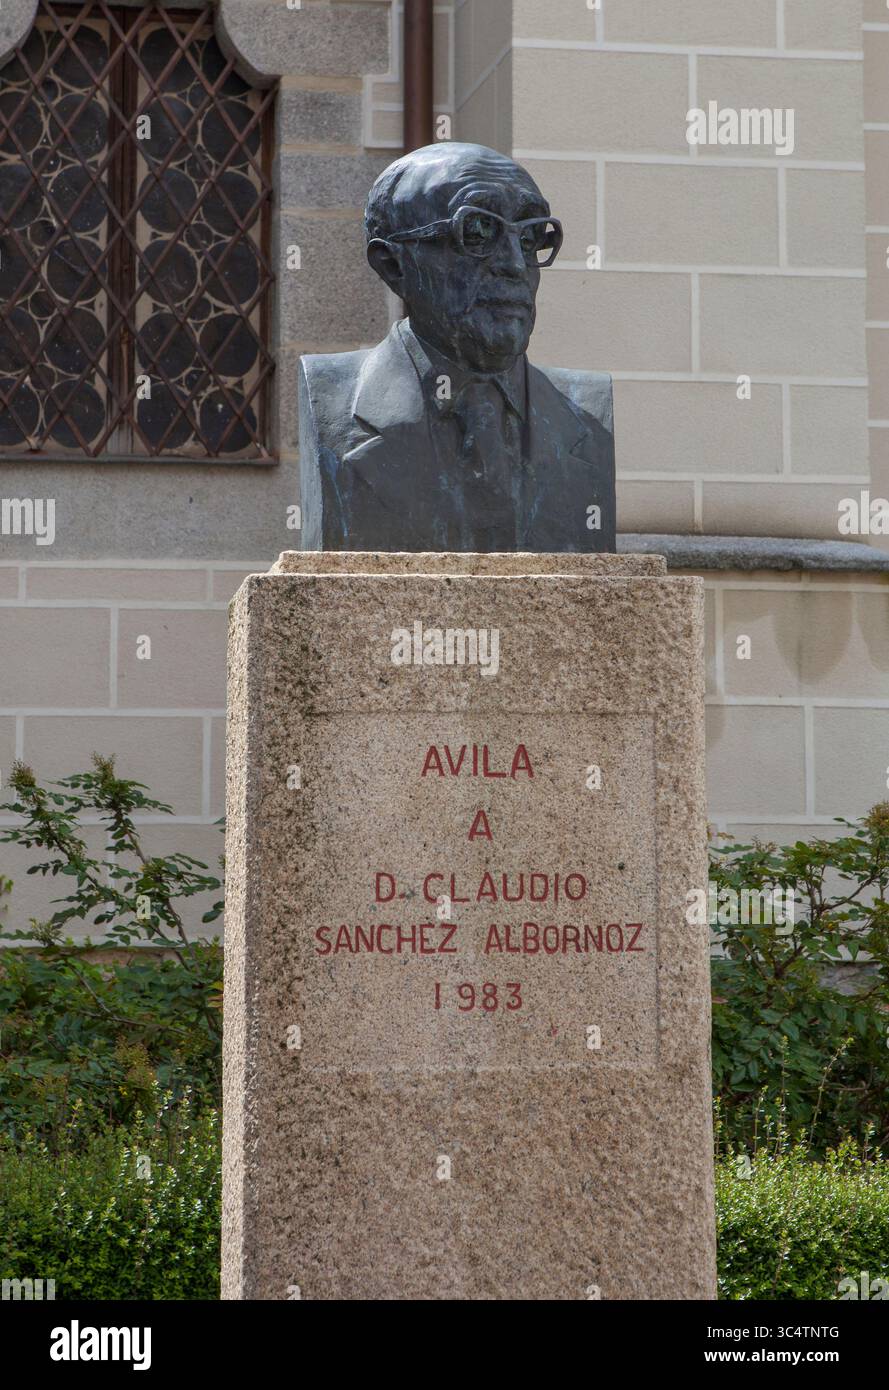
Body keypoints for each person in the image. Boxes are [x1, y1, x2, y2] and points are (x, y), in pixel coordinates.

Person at [299, 142, 615, 553]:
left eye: (530, 236)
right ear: (393, 265)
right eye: (478, 231)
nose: (515, 265)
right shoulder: (331, 397)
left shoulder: (588, 415)